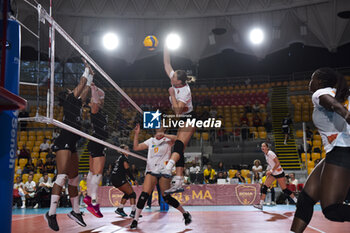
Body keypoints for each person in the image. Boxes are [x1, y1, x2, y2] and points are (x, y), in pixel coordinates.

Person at [291, 68, 350, 232]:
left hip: (342, 151)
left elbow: (332, 104)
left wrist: (346, 114)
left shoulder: (320, 93)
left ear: (320, 82)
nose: (310, 82)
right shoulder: (340, 92)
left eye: (312, 78)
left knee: (332, 209)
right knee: (306, 198)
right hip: (337, 151)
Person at [45, 58, 94, 231]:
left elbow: (86, 88)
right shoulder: (69, 101)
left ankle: (75, 211)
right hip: (64, 141)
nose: (74, 91)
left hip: (72, 143)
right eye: (71, 91)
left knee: (74, 178)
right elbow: (82, 83)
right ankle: (51, 213)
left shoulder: (78, 104)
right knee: (62, 176)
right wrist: (86, 69)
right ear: (67, 95)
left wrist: (92, 76)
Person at [130, 124, 191, 229]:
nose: (159, 127)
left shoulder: (168, 140)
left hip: (164, 172)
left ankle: (185, 213)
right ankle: (135, 219)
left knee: (166, 198)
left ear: (164, 128)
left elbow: (179, 140)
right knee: (144, 195)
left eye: (161, 126)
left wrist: (164, 135)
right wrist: (136, 134)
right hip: (151, 171)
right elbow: (136, 147)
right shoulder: (150, 141)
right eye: (157, 126)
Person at [160, 45, 196, 194]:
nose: (171, 77)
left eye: (174, 77)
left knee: (179, 145)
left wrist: (172, 95)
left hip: (189, 118)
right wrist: (166, 46)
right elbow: (167, 64)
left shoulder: (184, 91)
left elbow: (176, 112)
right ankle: (179, 182)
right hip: (183, 119)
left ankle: (168, 168)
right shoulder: (176, 81)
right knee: (180, 148)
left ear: (179, 82)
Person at [83, 83, 107, 218]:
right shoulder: (95, 110)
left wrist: (96, 91)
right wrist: (93, 89)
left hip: (94, 141)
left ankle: (87, 197)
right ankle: (93, 202)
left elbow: (97, 102)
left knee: (92, 172)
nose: (100, 101)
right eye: (99, 98)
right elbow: (96, 103)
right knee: (98, 174)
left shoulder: (99, 112)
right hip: (98, 142)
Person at [253, 142, 297, 210]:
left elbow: (277, 163)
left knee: (284, 189)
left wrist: (271, 170)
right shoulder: (265, 154)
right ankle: (261, 205)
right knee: (264, 187)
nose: (262, 147)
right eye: (262, 146)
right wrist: (267, 170)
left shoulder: (271, 153)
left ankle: (297, 201)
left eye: (264, 146)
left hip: (279, 173)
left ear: (267, 147)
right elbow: (270, 164)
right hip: (273, 173)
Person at [111, 144, 139, 218]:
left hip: (114, 178)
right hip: (119, 178)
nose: (129, 150)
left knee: (127, 193)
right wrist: (134, 179)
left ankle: (120, 209)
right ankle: (133, 212)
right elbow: (127, 170)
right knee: (132, 194)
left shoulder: (119, 158)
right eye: (127, 149)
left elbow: (117, 169)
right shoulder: (124, 158)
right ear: (123, 151)